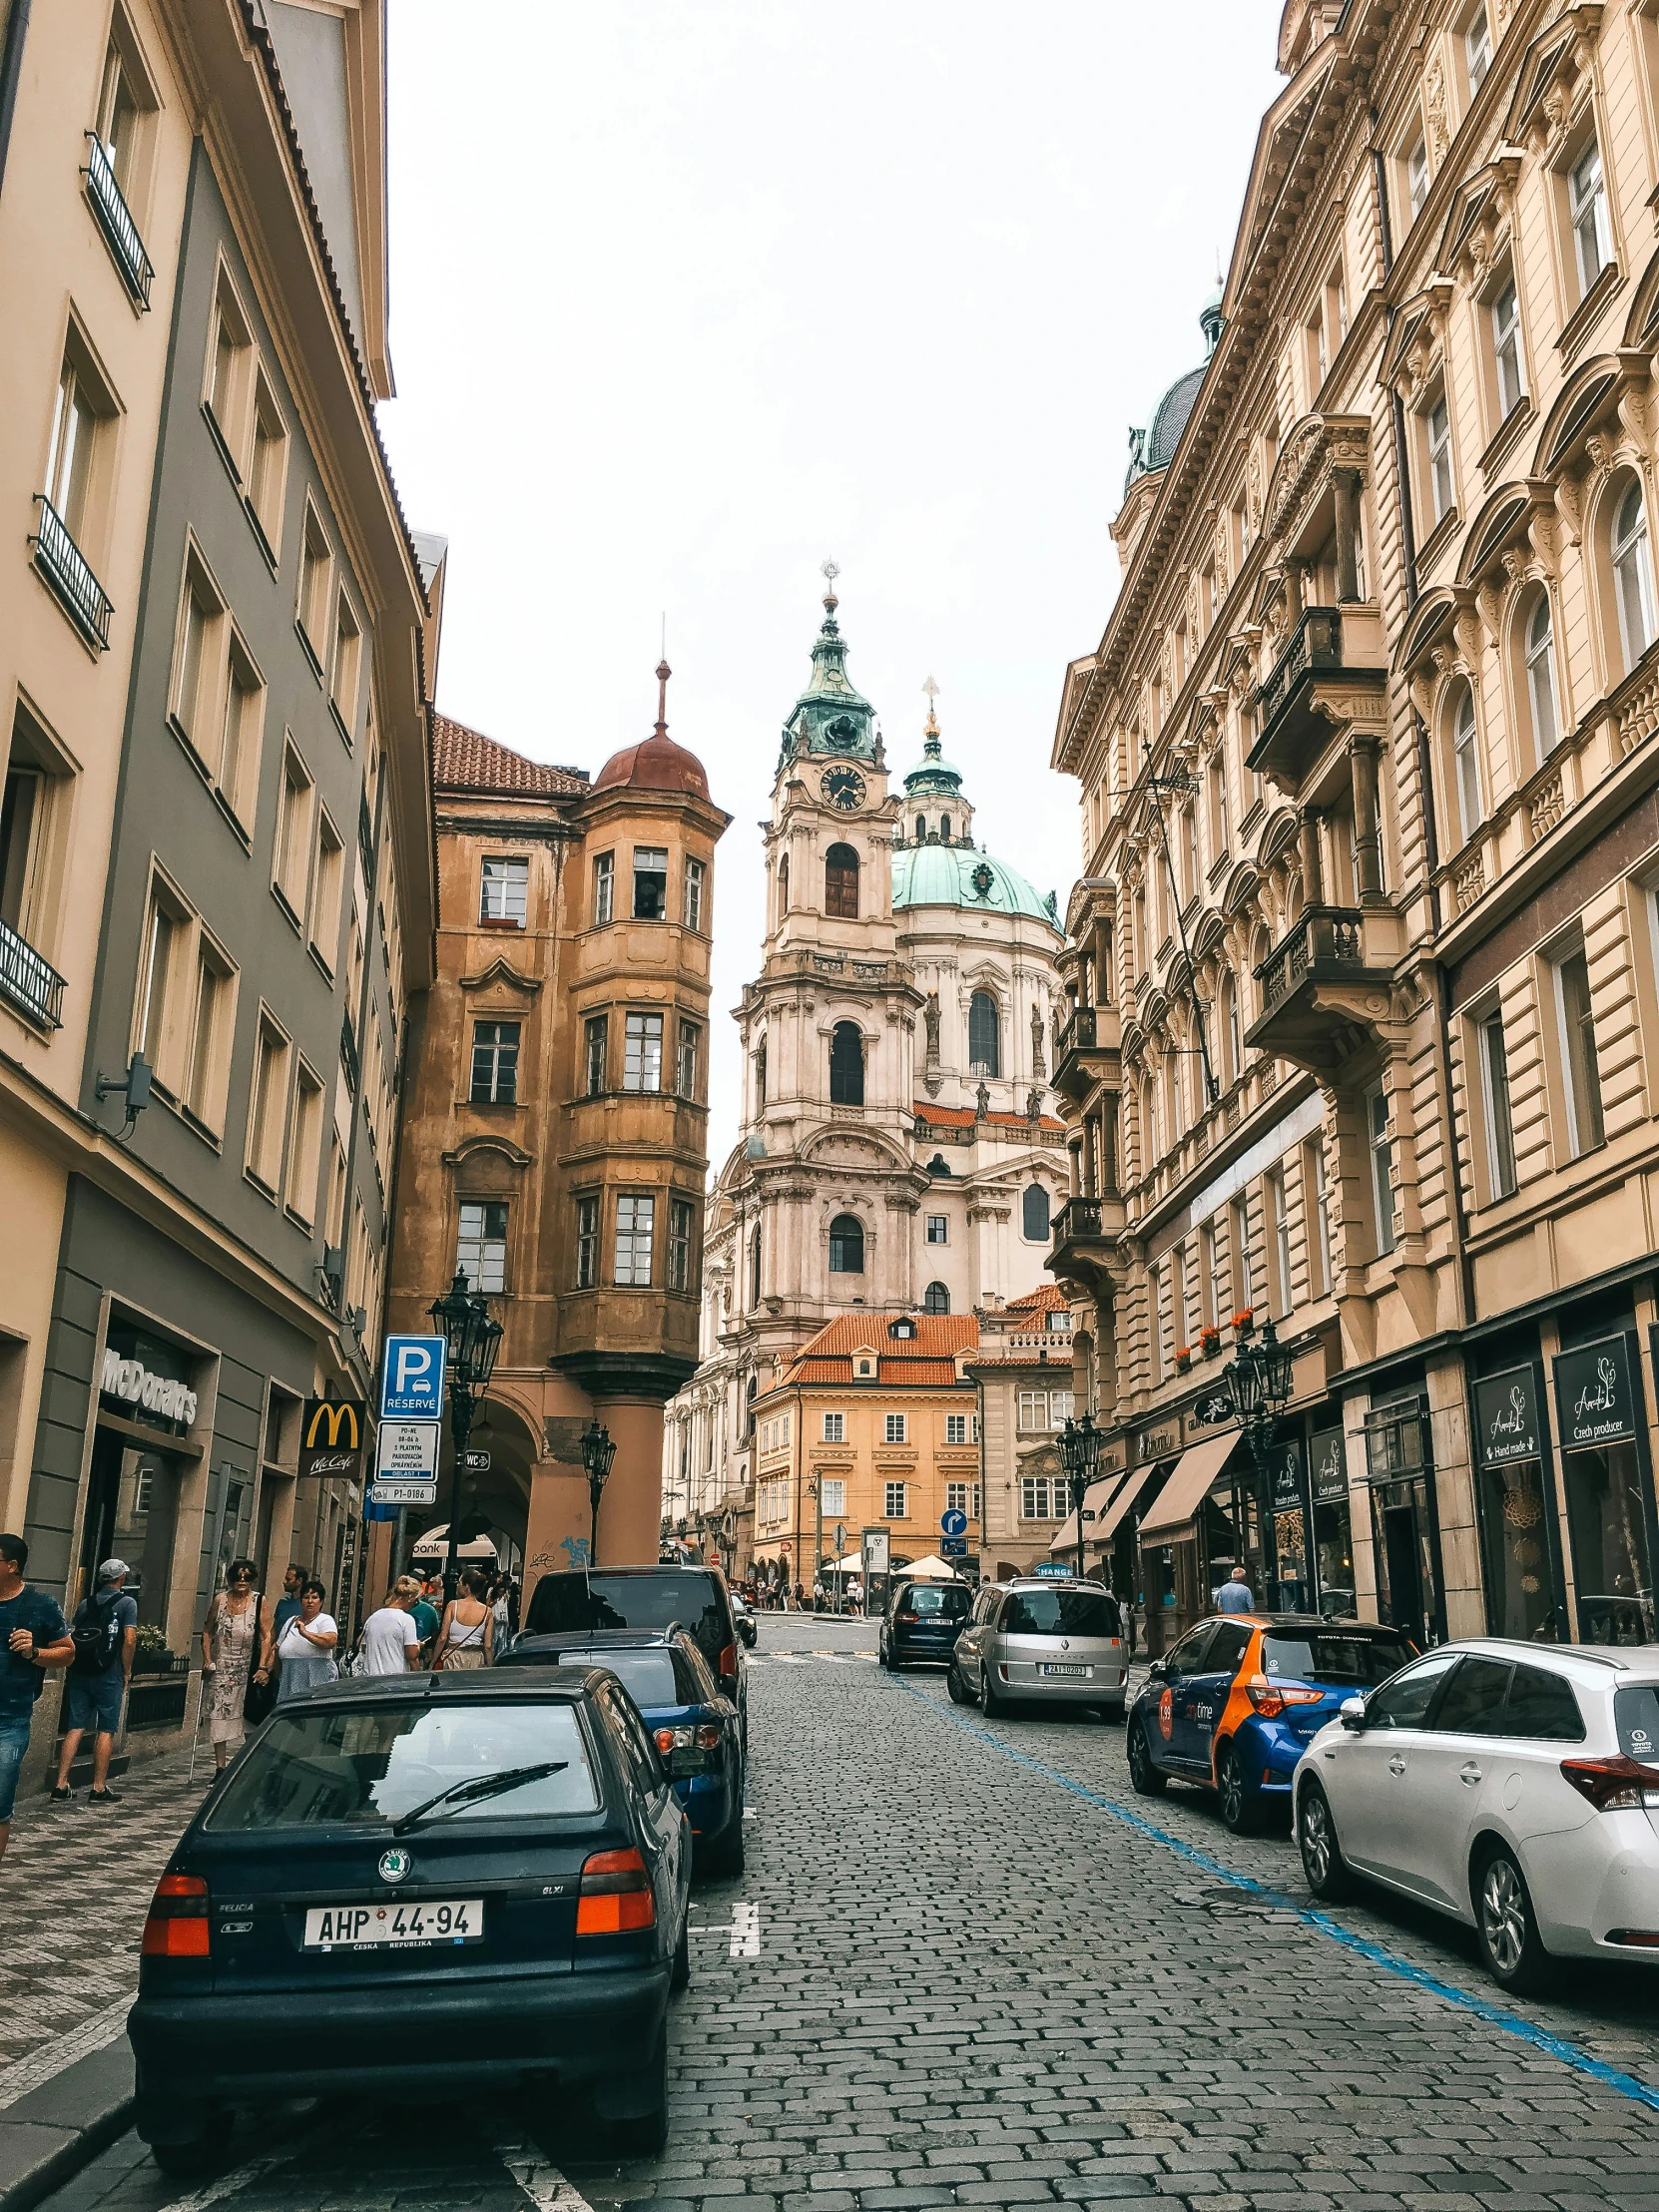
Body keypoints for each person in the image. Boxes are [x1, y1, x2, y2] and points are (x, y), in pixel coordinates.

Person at [0, 1533, 74, 1865]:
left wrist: (34, 1652)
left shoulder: (40, 1605)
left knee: (0, 1804)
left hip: (9, 1721)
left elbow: (67, 1654)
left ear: (11, 1566)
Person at [52, 1557, 138, 1803]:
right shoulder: (126, 1603)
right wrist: (126, 1670)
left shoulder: (85, 1603)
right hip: (108, 1672)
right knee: (106, 1729)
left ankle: (60, 1784)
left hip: (81, 1672)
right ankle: (98, 1787)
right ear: (121, 1578)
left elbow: (71, 1634)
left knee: (75, 1726)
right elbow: (129, 1639)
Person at [201, 1559, 275, 1771]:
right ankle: (220, 1768)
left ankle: (252, 1766)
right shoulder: (220, 1600)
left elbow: (267, 1635)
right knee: (219, 1717)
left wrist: (263, 1667)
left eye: (247, 1577)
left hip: (248, 1668)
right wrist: (207, 1659)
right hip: (222, 1667)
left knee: (250, 1715)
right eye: (237, 1577)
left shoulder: (259, 1601)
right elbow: (207, 1631)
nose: (242, 1581)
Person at [275, 1580, 338, 1702]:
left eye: (314, 1597)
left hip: (316, 1682)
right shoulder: (290, 1622)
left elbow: (331, 1641)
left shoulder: (325, 1620)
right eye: (306, 1597)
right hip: (288, 1680)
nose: (310, 1601)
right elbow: (276, 1647)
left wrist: (305, 1633)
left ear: (321, 1602)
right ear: (301, 1601)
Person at [430, 1566, 493, 1670]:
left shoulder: (453, 1605)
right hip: (476, 1658)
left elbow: (442, 1638)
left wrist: (433, 1662)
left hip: (454, 1656)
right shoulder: (487, 1611)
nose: (458, 1585)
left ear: (467, 1586)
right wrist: (490, 1666)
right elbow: (488, 1645)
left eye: (459, 1582)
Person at [358, 1577, 423, 1675]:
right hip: (394, 1678)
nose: (415, 1605)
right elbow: (412, 1655)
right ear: (410, 1597)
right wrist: (417, 1646)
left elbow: (364, 1648)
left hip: (370, 1677)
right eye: (416, 1602)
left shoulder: (373, 1618)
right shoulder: (406, 1619)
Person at [272, 1563, 307, 1642]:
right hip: (278, 1648)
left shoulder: (307, 1605)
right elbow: (274, 1628)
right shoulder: (282, 1602)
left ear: (299, 1581)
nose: (284, 1582)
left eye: (288, 1579)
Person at [408, 1574, 441, 1662]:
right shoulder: (429, 1608)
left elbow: (434, 1634)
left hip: (419, 1654)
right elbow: (435, 1634)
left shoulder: (429, 1609)